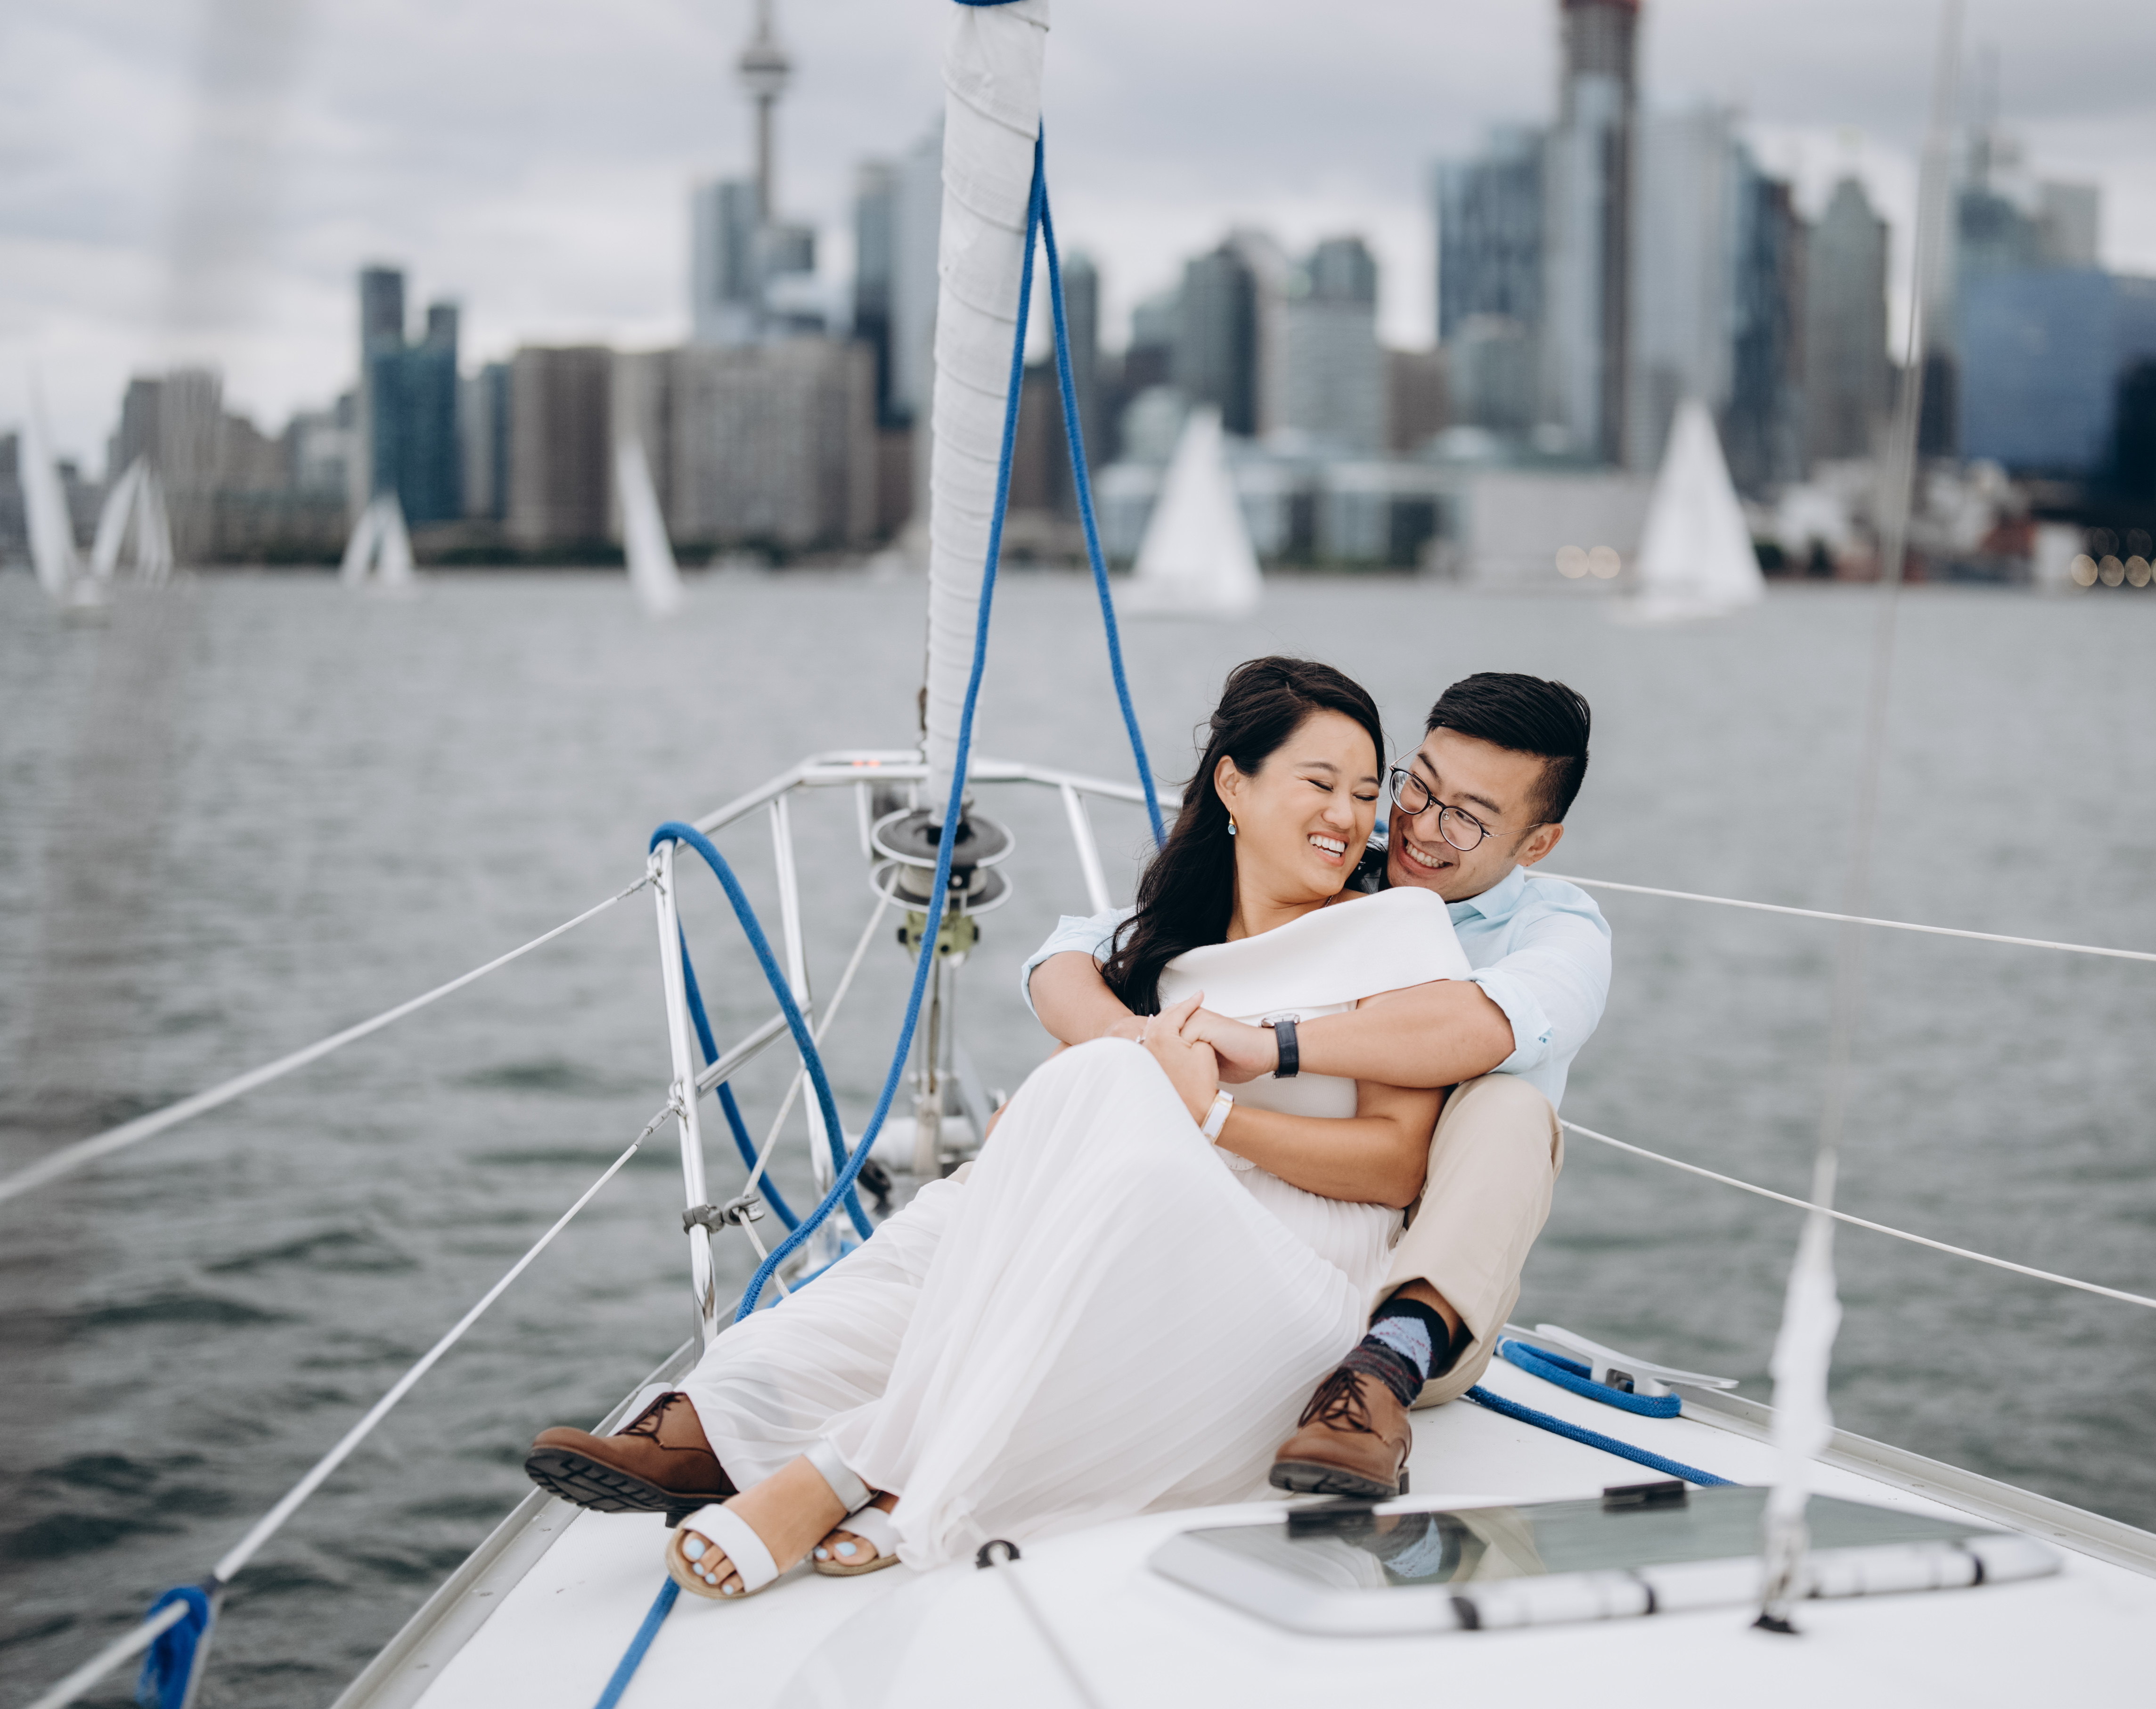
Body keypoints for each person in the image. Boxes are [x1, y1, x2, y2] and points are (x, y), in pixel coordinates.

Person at [523, 657, 1603, 1600]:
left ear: (1537, 838)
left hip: (1324, 1276)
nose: (1391, 821)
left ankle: (852, 1466)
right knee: (952, 1226)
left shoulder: (1429, 929)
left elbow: (1432, 1104)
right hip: (1157, 1209)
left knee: (1107, 1108)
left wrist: (1211, 1098)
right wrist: (1104, 1078)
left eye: (1381, 795)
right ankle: (722, 1418)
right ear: (1234, 785)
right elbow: (1069, 958)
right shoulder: (1175, 944)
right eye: (1389, 788)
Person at [1026, 668, 1609, 1497]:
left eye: (1468, 819)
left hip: (1422, 1294)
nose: (1419, 828)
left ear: (1536, 844)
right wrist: (1139, 1045)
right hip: (1254, 1232)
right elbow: (1077, 952)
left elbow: (1478, 1026)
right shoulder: (1335, 868)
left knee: (1507, 1107)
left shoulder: (1557, 930)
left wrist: (1273, 1046)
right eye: (1414, 788)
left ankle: (1380, 1372)